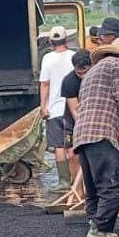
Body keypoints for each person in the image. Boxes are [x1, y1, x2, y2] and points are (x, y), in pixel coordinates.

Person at [72, 38, 119, 237]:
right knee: (114, 184)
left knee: (94, 185)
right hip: (102, 131)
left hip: (83, 133)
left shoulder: (92, 72)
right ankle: (101, 230)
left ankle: (94, 221)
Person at [39, 25, 76, 186]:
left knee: (59, 146)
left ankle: (64, 182)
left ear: (50, 41)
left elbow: (45, 84)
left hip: (53, 110)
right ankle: (77, 181)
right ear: (66, 39)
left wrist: (43, 106)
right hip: (72, 108)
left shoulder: (47, 59)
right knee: (72, 144)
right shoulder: (74, 57)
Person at [61, 49, 93, 141]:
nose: (83, 76)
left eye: (86, 72)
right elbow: (74, 110)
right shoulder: (69, 81)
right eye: (79, 73)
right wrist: (83, 128)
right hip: (73, 121)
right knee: (72, 153)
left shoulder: (97, 78)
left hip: (93, 119)